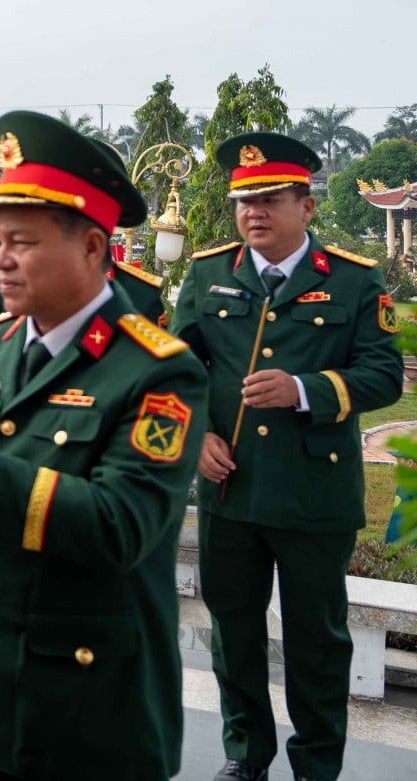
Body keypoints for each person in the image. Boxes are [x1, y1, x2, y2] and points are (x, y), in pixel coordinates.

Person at [0, 110, 206, 778]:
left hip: (88, 706)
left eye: (21, 241)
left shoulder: (158, 370)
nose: (1, 260)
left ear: (90, 248)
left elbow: (119, 527)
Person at [172, 133, 402, 781]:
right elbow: (173, 371)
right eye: (244, 200)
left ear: (306, 204)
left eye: (270, 198)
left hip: (313, 496)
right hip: (230, 492)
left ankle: (315, 765)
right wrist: (196, 438)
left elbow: (385, 376)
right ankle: (245, 754)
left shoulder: (354, 282)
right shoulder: (208, 274)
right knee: (234, 632)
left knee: (316, 641)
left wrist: (304, 390)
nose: (253, 212)